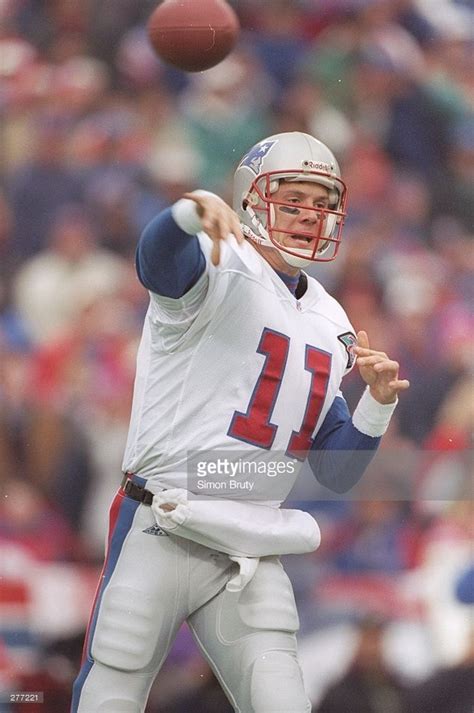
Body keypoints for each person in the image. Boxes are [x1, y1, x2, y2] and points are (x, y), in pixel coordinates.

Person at [71, 132, 409, 713]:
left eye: (323, 202)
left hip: (250, 545)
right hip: (164, 520)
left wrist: (375, 405)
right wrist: (187, 210)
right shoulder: (218, 259)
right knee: (112, 694)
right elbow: (156, 262)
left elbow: (336, 471)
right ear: (251, 198)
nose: (311, 215)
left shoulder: (331, 316)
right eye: (295, 197)